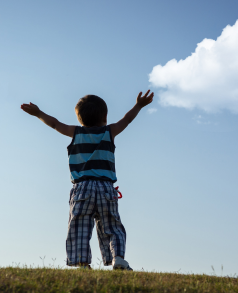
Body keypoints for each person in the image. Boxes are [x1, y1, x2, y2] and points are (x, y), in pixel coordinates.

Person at [21, 90, 154, 270]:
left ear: (79, 118)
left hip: (82, 188)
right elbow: (127, 120)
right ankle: (118, 259)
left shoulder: (74, 132)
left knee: (79, 227)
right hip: (106, 188)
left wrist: (38, 113)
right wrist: (138, 105)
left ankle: (82, 263)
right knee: (113, 226)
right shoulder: (109, 132)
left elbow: (54, 124)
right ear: (105, 117)